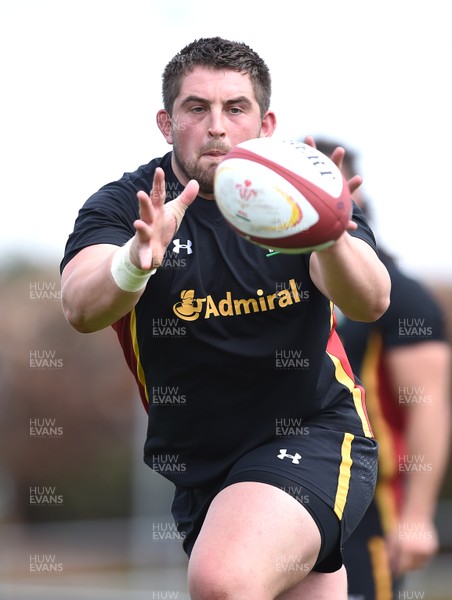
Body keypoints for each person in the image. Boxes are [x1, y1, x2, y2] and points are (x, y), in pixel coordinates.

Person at [60, 37, 391, 599]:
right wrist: (133, 265)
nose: (217, 126)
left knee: (223, 580)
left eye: (235, 108)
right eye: (197, 108)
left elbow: (370, 300)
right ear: (167, 123)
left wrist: (330, 235)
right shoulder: (128, 205)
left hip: (315, 434)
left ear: (265, 123)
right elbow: (80, 306)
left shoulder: (300, 193)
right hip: (203, 469)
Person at [315, 139, 451, 600]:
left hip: (367, 506)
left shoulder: (403, 298)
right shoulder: (282, 293)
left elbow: (429, 407)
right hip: (290, 491)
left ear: (357, 203)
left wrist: (416, 517)